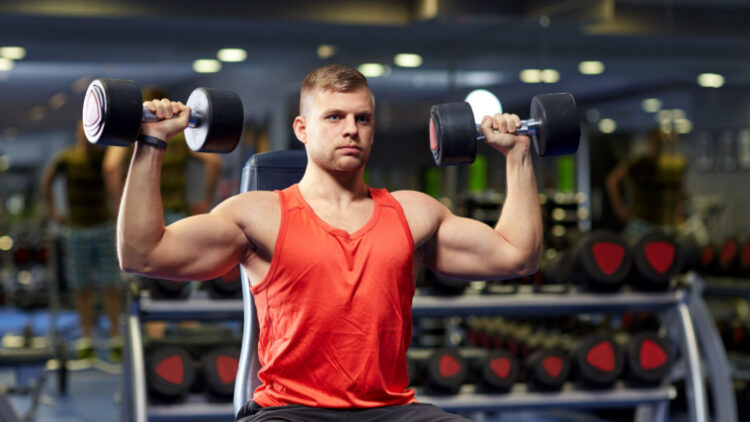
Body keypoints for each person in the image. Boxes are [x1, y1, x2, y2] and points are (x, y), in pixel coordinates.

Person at [116, 65, 542, 422]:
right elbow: (142, 253)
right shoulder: (258, 214)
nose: (351, 130)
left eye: (363, 119)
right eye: (334, 117)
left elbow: (517, 255)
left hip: (388, 411)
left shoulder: (413, 214)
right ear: (302, 129)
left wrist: (518, 155)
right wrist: (151, 143)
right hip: (292, 411)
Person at [103, 86, 222, 339]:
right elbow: (214, 162)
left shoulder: (136, 129)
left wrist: (119, 206)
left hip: (146, 217)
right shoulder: (179, 133)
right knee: (183, 285)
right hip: (178, 217)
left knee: (153, 290)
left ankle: (155, 348)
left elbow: (111, 166)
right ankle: (190, 344)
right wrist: (206, 200)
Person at [41, 121, 122, 360]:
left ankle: (116, 337)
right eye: (83, 133)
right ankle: (87, 338)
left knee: (111, 286)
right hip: (76, 230)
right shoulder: (66, 158)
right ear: (78, 134)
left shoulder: (105, 158)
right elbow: (47, 181)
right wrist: (53, 211)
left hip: (103, 227)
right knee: (81, 287)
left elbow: (117, 176)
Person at [605, 128, 686, 237]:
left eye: (660, 140)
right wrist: (619, 208)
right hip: (641, 223)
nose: (658, 144)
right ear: (649, 141)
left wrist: (678, 213)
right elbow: (612, 180)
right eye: (655, 140)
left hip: (666, 223)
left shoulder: (672, 165)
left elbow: (679, 191)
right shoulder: (639, 162)